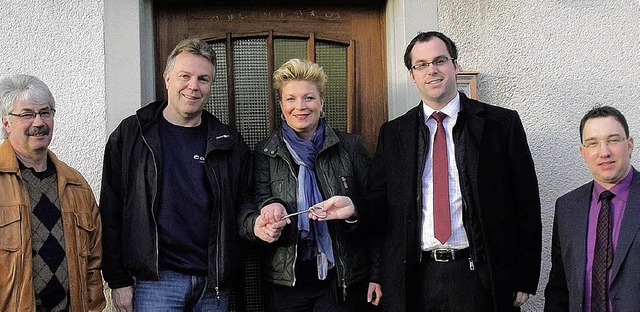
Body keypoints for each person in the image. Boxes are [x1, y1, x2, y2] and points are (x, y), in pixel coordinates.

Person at [366, 31, 542, 311]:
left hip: (479, 276)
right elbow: (382, 209)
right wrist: (376, 274)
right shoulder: (393, 134)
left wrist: (525, 275)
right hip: (414, 277)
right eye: (421, 64)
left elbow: (527, 203)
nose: (432, 70)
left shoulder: (501, 124)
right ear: (412, 75)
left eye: (440, 60)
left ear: (455, 66)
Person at [100, 38, 253, 311]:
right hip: (156, 283)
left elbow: (243, 203)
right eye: (185, 76)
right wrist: (118, 279)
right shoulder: (132, 135)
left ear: (210, 86)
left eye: (203, 79)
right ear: (167, 78)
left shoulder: (228, 141)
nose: (193, 86)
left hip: (213, 283)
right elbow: (111, 210)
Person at [238, 58, 382, 311]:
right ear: (281, 105)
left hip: (343, 280)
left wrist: (377, 275)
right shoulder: (265, 152)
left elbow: (376, 209)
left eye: (309, 98)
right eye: (290, 99)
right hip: (286, 283)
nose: (300, 106)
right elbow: (258, 199)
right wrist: (270, 212)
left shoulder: (350, 147)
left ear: (321, 103)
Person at [0, 74, 105, 311]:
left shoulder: (76, 185)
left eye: (45, 113)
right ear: (7, 123)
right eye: (27, 114)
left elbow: (93, 264)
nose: (38, 122)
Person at [545, 106, 637, 311]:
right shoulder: (567, 208)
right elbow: (559, 286)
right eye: (593, 143)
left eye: (613, 140)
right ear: (583, 152)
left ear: (629, 145)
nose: (604, 152)